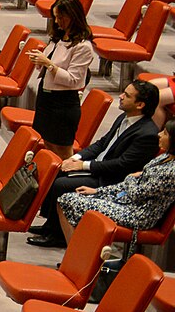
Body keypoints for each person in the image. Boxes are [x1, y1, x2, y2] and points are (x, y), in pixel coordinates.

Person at [29, 79, 162, 248]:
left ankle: (58, 236)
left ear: (140, 104)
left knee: (62, 184)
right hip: (100, 168)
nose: (120, 97)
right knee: (58, 170)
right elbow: (102, 143)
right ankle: (50, 226)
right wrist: (76, 158)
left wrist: (84, 166)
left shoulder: (147, 134)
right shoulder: (124, 117)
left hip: (112, 180)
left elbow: (121, 165)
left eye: (127, 95)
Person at [29, 0, 98, 158]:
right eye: (56, 17)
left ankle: (64, 181)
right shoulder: (58, 38)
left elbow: (73, 80)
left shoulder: (83, 47)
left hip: (63, 103)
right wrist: (39, 60)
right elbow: (47, 64)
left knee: (62, 149)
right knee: (47, 143)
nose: (57, 21)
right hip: (46, 97)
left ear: (73, 17)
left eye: (61, 17)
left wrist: (48, 64)